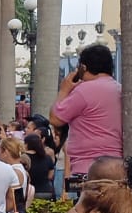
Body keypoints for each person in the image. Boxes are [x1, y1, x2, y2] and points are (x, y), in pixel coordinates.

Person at [48, 44, 123, 176]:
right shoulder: (119, 89)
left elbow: (55, 119)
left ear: (83, 67)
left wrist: (64, 90)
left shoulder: (83, 90)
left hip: (87, 167)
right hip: (116, 165)